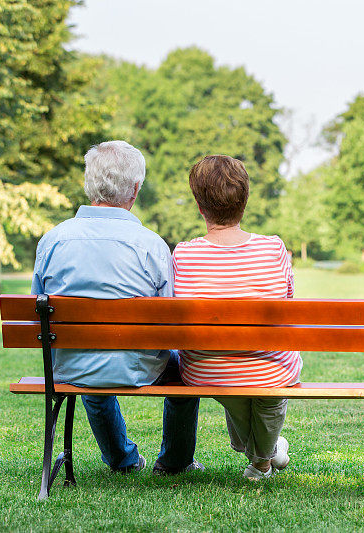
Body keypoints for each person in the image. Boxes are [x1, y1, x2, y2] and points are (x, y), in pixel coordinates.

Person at [31, 140, 202, 475]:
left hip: (71, 365)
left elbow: (39, 308)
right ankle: (174, 463)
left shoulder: (53, 240)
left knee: (92, 366)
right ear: (135, 189)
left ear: (88, 183)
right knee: (185, 370)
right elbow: (171, 319)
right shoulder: (151, 245)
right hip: (140, 366)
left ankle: (122, 461)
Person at [172, 155, 301, 480]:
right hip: (270, 368)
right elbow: (286, 301)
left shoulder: (184, 254)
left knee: (236, 384)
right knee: (265, 390)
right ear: (244, 203)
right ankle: (264, 459)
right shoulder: (273, 249)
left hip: (207, 369)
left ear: (200, 207)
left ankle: (262, 459)